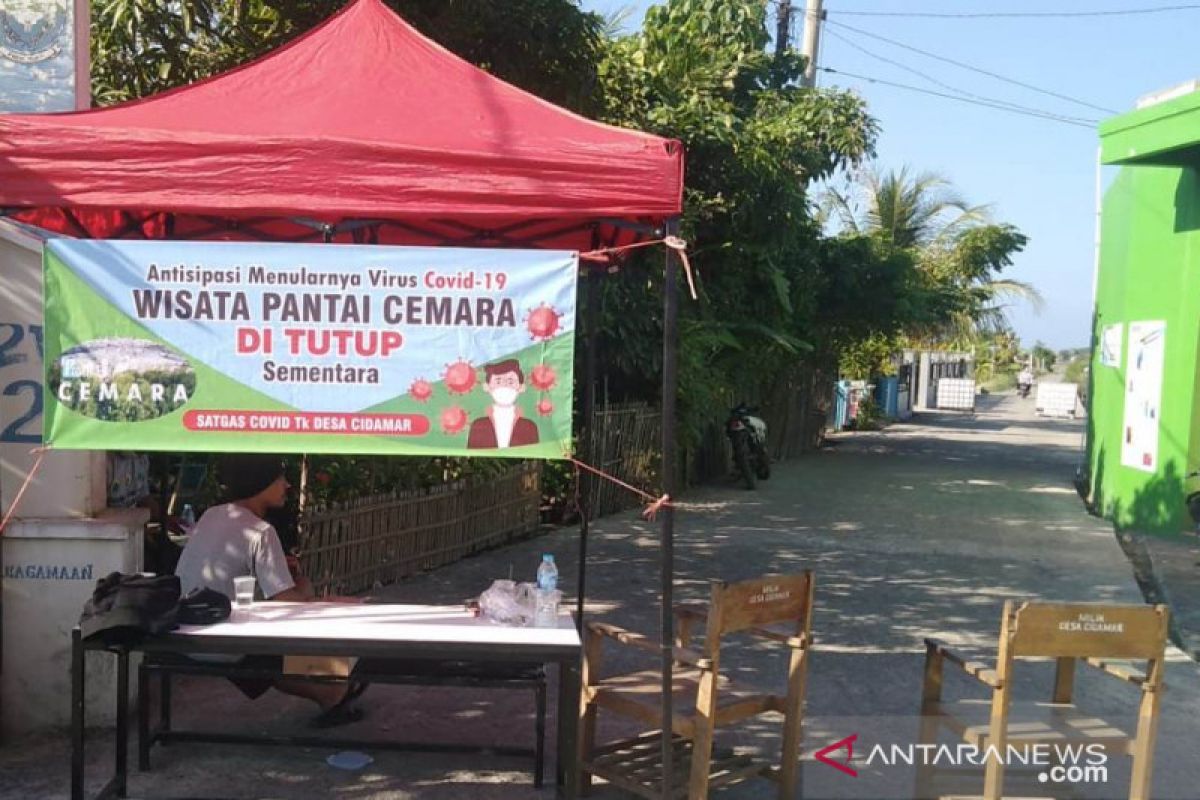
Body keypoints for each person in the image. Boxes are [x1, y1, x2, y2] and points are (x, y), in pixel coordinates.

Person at [174, 454, 366, 726]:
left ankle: (330, 692)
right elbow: (289, 602)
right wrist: (306, 586)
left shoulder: (211, 514)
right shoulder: (260, 531)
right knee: (301, 625)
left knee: (264, 630)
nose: (287, 485)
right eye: (280, 478)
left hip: (184, 632)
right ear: (260, 482)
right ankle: (332, 691)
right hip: (221, 644)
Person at [467, 359, 540, 449]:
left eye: (510, 382)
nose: (504, 386)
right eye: (498, 381)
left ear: (521, 387)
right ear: (486, 387)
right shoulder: (478, 425)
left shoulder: (529, 427)